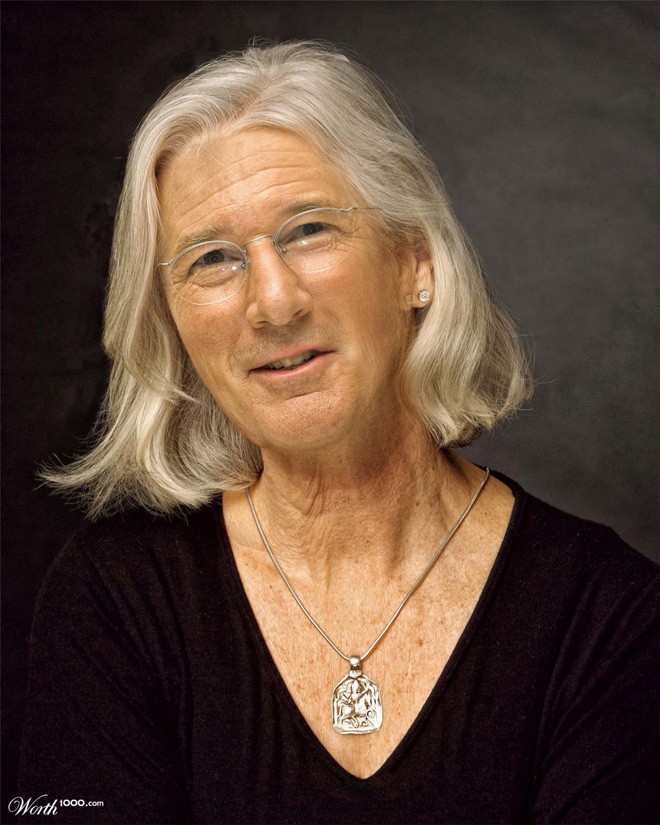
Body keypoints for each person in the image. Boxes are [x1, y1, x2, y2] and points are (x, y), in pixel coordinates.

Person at [19, 41, 658, 824]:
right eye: (213, 258)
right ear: (172, 323)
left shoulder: (612, 616)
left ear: (414, 262)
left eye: (309, 230)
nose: (273, 302)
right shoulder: (111, 602)